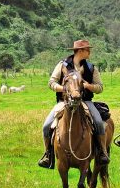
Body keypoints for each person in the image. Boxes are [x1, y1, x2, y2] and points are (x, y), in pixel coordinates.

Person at [37, 39, 109, 169]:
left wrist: (88, 86)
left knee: (98, 122)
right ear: (80, 51)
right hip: (64, 102)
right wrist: (64, 89)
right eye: (88, 49)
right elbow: (51, 83)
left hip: (85, 101)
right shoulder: (62, 65)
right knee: (46, 126)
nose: (89, 52)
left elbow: (100, 87)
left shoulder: (91, 68)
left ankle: (102, 152)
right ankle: (48, 154)